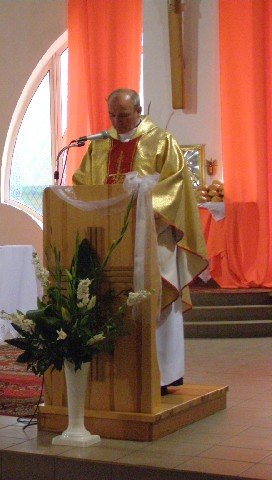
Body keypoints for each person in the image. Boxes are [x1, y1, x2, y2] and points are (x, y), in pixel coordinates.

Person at [72, 88, 208, 393]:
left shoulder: (161, 141)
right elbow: (82, 183)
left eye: (123, 115)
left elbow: (176, 185)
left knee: (157, 299)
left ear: (138, 112)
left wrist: (143, 197)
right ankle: (117, 374)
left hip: (152, 236)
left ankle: (162, 375)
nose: (116, 121)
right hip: (110, 238)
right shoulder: (99, 145)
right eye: (112, 115)